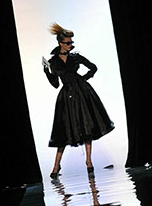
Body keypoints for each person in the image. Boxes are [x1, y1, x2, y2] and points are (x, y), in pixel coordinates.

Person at [44, 23, 115, 178]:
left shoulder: (75, 57)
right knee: (63, 130)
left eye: (71, 43)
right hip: (67, 95)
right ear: (60, 43)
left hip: (82, 93)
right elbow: (56, 84)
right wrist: (47, 72)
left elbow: (93, 67)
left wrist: (83, 79)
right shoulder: (53, 61)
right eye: (68, 43)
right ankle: (56, 166)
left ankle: (89, 162)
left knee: (87, 126)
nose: (70, 45)